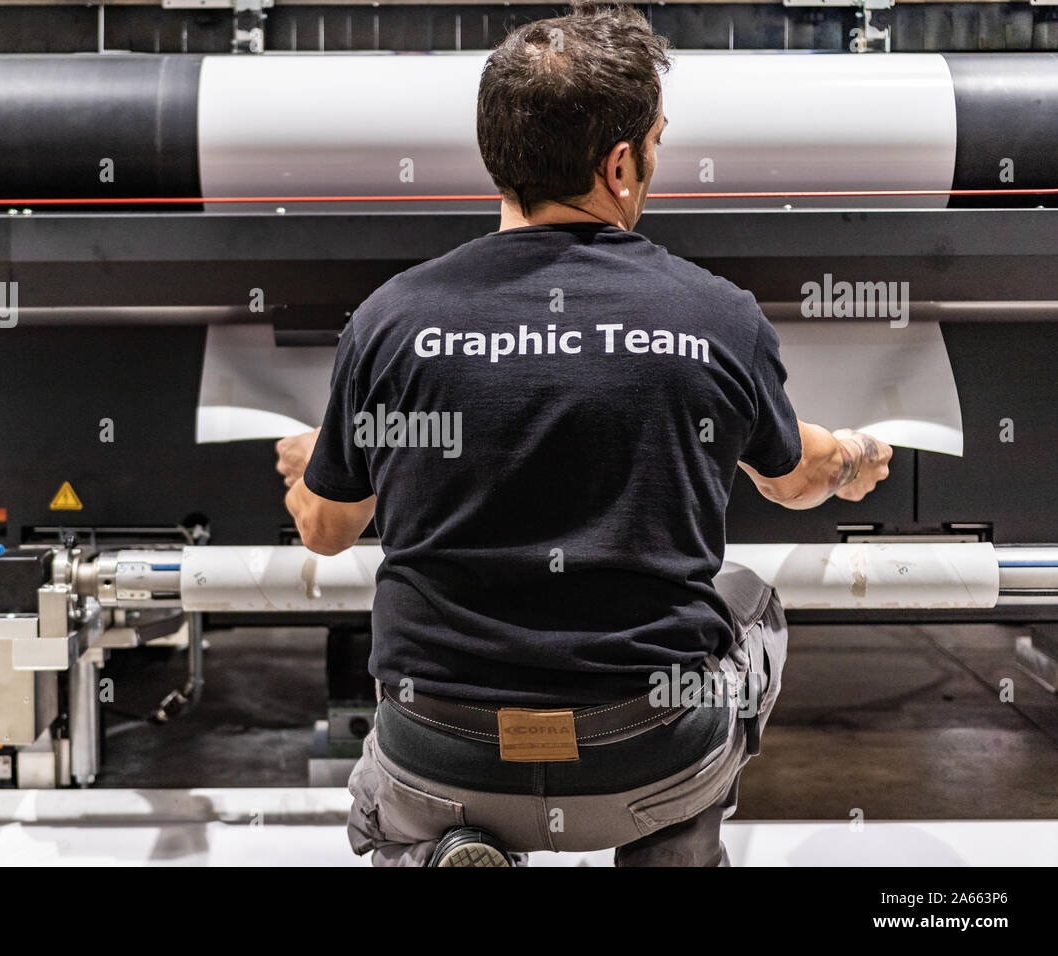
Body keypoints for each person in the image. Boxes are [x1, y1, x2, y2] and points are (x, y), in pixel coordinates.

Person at [274, 1, 891, 866]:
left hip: (441, 753)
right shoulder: (716, 317)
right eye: (656, 146)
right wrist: (858, 455)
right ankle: (671, 843)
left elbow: (328, 531)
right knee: (752, 601)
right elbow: (795, 479)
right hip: (641, 751)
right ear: (618, 163)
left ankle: (438, 850)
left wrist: (314, 463)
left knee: (385, 810)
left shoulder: (391, 321)